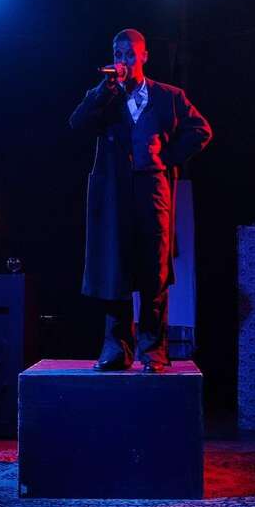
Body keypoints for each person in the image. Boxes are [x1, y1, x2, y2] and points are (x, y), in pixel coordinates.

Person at [69, 28, 212, 373]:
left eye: (130, 54)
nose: (123, 61)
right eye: (118, 54)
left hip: (153, 191)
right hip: (114, 194)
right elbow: (76, 123)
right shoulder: (106, 97)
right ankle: (117, 349)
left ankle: (153, 350)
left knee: (154, 271)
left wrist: (167, 157)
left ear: (144, 56)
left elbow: (201, 130)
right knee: (115, 269)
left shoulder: (168, 96)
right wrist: (102, 91)